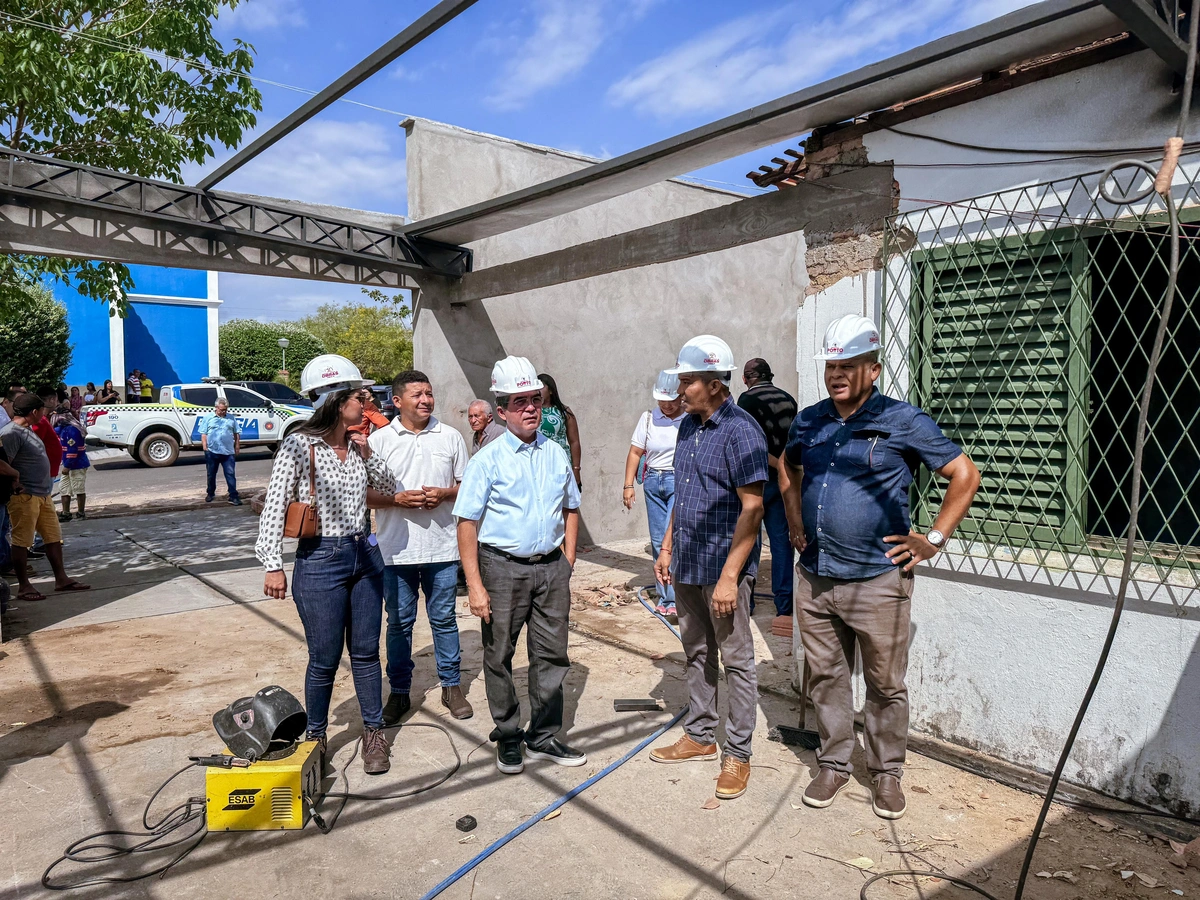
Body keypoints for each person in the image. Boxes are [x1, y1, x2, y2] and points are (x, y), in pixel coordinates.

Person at [779, 315, 980, 820]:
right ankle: (833, 764)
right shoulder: (810, 420)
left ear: (873, 369)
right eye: (831, 366)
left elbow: (964, 474)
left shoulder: (902, 420)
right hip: (816, 576)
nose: (836, 375)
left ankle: (886, 773)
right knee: (826, 678)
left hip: (878, 580)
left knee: (886, 685)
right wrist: (795, 519)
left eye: (848, 366)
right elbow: (788, 464)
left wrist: (933, 540)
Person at [256, 354, 395, 775]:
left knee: (367, 653)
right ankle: (315, 736)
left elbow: (389, 488)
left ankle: (373, 733)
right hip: (320, 560)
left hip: (365, 555)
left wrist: (368, 453)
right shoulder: (299, 444)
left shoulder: (356, 445)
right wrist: (272, 563)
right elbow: (275, 505)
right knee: (324, 657)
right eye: (358, 397)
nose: (365, 404)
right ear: (335, 400)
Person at [648, 335, 767, 803]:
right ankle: (700, 735)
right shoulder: (687, 427)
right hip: (688, 561)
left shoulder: (742, 431)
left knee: (736, 661)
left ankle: (738, 752)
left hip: (723, 568)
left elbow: (752, 508)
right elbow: (684, 491)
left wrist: (730, 577)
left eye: (689, 382)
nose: (681, 390)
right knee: (696, 652)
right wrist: (666, 546)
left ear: (716, 384)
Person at [454, 356, 585, 776]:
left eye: (535, 400)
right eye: (519, 402)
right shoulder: (487, 460)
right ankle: (509, 735)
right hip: (502, 569)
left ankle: (543, 736)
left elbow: (571, 507)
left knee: (552, 654)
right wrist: (475, 585)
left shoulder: (555, 454)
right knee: (499, 654)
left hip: (551, 569)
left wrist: (568, 559)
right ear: (502, 411)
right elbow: (467, 523)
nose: (530, 408)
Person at [368, 370, 473, 725]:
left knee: (444, 619)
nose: (426, 400)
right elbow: (364, 494)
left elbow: (467, 486)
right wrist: (395, 500)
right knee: (399, 623)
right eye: (417, 394)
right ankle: (399, 691)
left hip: (442, 548)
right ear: (397, 401)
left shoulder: (450, 437)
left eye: (429, 393)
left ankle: (452, 685)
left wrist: (445, 493)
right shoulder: (380, 440)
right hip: (395, 550)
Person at [1, 392, 91, 601]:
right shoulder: (11, 433)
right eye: (42, 411)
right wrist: (15, 480)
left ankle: (62, 579)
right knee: (22, 541)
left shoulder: (28, 430)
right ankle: (24, 586)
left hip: (42, 495)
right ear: (34, 412)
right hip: (25, 496)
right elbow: (4, 463)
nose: (44, 414)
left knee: (53, 537)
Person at [737, 358, 799, 619]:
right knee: (781, 544)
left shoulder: (746, 401)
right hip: (783, 483)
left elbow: (748, 443)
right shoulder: (789, 400)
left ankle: (747, 603)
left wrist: (774, 463)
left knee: (748, 541)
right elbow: (794, 445)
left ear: (745, 378)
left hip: (755, 481)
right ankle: (784, 605)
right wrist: (785, 469)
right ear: (769, 376)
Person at [623, 370, 685, 616]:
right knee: (659, 540)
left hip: (677, 480)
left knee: (673, 540)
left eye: (671, 400)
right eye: (662, 400)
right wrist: (628, 485)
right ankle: (666, 598)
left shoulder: (689, 418)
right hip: (653, 482)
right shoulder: (648, 418)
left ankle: (680, 598)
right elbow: (635, 452)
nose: (666, 405)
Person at [537, 373, 582, 487]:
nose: (538, 391)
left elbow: (574, 442)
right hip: (538, 463)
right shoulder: (532, 412)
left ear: (550, 390)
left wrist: (576, 469)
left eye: (541, 387)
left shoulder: (564, 411)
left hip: (560, 463)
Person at [200, 398, 242, 505]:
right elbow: (204, 433)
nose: (224, 412)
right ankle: (210, 493)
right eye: (222, 409)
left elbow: (236, 433)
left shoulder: (231, 418)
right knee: (211, 474)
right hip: (212, 451)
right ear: (216, 408)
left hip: (228, 452)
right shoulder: (208, 418)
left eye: (225, 410)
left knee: (230, 474)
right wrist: (205, 447)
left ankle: (233, 496)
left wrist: (237, 446)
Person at [55, 411, 90, 520]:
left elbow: (72, 450)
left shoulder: (72, 431)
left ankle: (81, 513)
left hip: (77, 465)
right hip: (69, 465)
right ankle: (66, 513)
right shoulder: (64, 429)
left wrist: (67, 466)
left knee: (78, 489)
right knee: (64, 488)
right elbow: (55, 430)